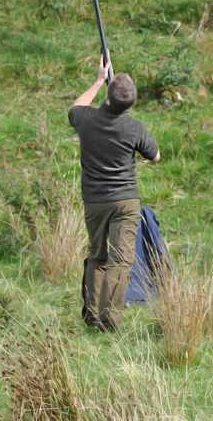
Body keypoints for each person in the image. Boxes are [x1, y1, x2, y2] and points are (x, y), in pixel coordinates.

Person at [68, 56, 160, 331]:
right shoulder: (134, 127)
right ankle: (111, 320)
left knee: (97, 255)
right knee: (121, 260)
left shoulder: (86, 120)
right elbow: (155, 156)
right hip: (125, 202)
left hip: (95, 201)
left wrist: (98, 81)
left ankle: (92, 316)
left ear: (108, 95)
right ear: (131, 103)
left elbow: (75, 107)